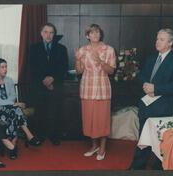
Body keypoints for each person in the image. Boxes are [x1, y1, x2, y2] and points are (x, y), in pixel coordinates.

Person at [128, 29, 173, 170]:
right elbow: (141, 76)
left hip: (164, 109)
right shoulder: (151, 58)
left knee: (163, 145)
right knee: (143, 142)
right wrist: (145, 85)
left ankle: (159, 168)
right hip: (146, 107)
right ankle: (136, 168)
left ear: (170, 43)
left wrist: (156, 88)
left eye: (161, 39)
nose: (157, 42)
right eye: (157, 39)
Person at [75, 24, 116, 160]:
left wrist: (100, 61)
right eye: (92, 33)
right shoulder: (83, 50)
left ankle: (102, 148)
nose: (96, 35)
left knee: (102, 120)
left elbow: (111, 71)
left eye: (98, 32)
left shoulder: (109, 49)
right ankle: (94, 146)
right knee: (89, 119)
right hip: (87, 88)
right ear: (87, 36)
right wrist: (77, 59)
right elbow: (79, 71)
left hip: (102, 88)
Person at [0, 58, 41, 154]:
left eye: (6, 67)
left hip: (8, 109)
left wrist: (9, 105)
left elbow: (13, 96)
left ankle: (13, 145)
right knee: (16, 110)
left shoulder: (9, 80)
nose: (5, 69)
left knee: (13, 113)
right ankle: (28, 136)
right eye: (2, 67)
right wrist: (14, 104)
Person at [29, 23, 68, 146]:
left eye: (51, 32)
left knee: (55, 112)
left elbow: (64, 68)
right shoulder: (33, 48)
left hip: (56, 85)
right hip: (39, 86)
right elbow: (32, 68)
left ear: (54, 34)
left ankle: (54, 136)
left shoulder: (62, 49)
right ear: (41, 33)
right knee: (40, 111)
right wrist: (45, 81)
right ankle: (39, 135)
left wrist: (53, 79)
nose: (48, 35)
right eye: (46, 32)